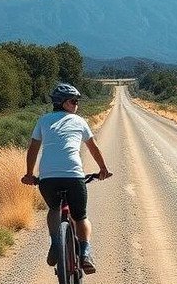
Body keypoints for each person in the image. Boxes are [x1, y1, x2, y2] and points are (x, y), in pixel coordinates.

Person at [22, 83, 111, 273]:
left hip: (48, 179)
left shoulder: (43, 120)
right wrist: (102, 169)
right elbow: (93, 147)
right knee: (80, 217)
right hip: (73, 177)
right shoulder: (79, 121)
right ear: (63, 103)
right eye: (74, 101)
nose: (77, 104)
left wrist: (29, 175)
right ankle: (85, 252)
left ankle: (55, 243)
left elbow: (33, 149)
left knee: (54, 208)